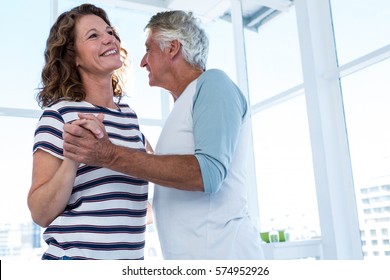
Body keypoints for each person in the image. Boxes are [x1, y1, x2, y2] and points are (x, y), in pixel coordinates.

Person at [63, 10, 264, 260]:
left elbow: (208, 174)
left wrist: (109, 154)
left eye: (149, 50)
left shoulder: (213, 84)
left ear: (172, 48)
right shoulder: (183, 105)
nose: (142, 62)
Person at [27, 4, 151, 260]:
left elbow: (132, 203)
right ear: (75, 57)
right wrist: (73, 158)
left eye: (109, 32)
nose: (109, 39)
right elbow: (40, 213)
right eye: (93, 35)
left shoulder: (129, 117)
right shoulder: (60, 115)